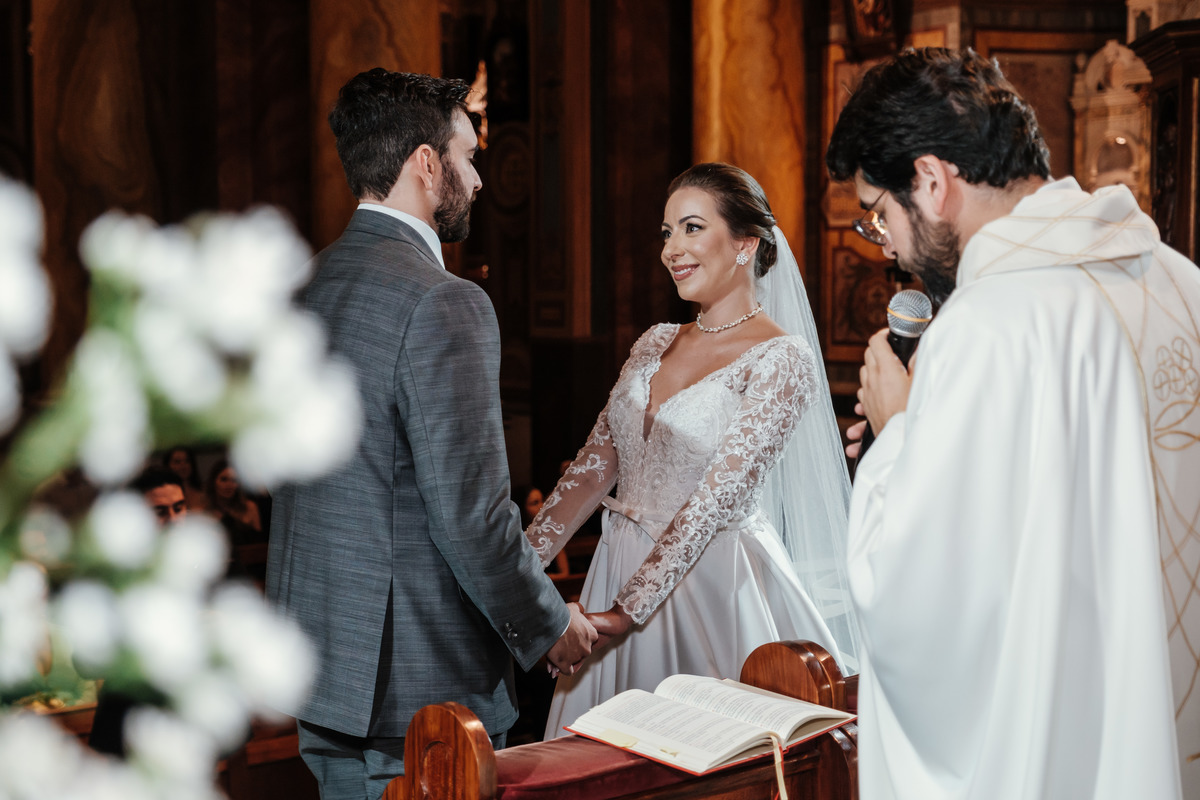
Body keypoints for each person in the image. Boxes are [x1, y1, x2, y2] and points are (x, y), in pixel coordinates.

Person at [826, 47, 1199, 799]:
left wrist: (898, 435)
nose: (890, 248)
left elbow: (925, 602)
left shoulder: (991, 325)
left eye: (880, 215)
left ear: (931, 182)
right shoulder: (1180, 281)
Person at [265, 68, 595, 799]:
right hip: (420, 688)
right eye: (468, 156)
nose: (477, 180)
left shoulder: (302, 287)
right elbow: (470, 516)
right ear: (425, 163)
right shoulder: (445, 302)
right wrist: (549, 623)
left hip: (325, 670)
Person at [527, 163, 859, 739]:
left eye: (691, 228)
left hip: (707, 584)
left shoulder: (782, 359)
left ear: (745, 244)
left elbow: (712, 503)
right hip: (615, 564)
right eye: (666, 232)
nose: (671, 249)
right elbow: (591, 469)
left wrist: (618, 616)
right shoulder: (655, 340)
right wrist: (519, 575)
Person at [90, 465, 188, 756]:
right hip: (130, 723)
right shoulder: (115, 572)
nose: (174, 520)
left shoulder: (204, 561)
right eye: (160, 512)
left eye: (180, 508)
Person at [513, 485, 568, 577]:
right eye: (535, 503)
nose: (541, 506)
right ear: (522, 507)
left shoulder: (551, 532)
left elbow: (565, 573)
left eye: (542, 501)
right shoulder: (515, 536)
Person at [206, 458, 262, 544]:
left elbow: (259, 546)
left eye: (234, 480)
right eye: (224, 479)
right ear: (214, 482)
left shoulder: (250, 507)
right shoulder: (205, 511)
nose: (229, 485)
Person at [163, 446, 209, 512]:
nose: (183, 466)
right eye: (177, 462)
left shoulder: (203, 490)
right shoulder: (162, 493)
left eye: (187, 461)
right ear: (168, 465)